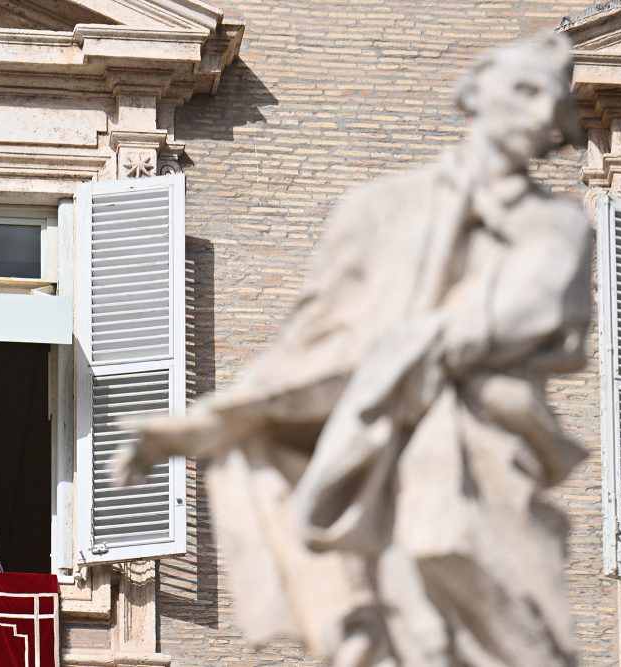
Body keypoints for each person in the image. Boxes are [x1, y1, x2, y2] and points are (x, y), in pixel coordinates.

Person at [121, 33, 590, 667]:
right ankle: (358, 620)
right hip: (368, 437)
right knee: (400, 613)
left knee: (486, 592)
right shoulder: (380, 208)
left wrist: (404, 346)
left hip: (483, 441)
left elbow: (519, 315)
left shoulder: (556, 226)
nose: (537, 114)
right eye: (524, 91)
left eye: (552, 104)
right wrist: (216, 418)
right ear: (478, 92)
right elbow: (313, 338)